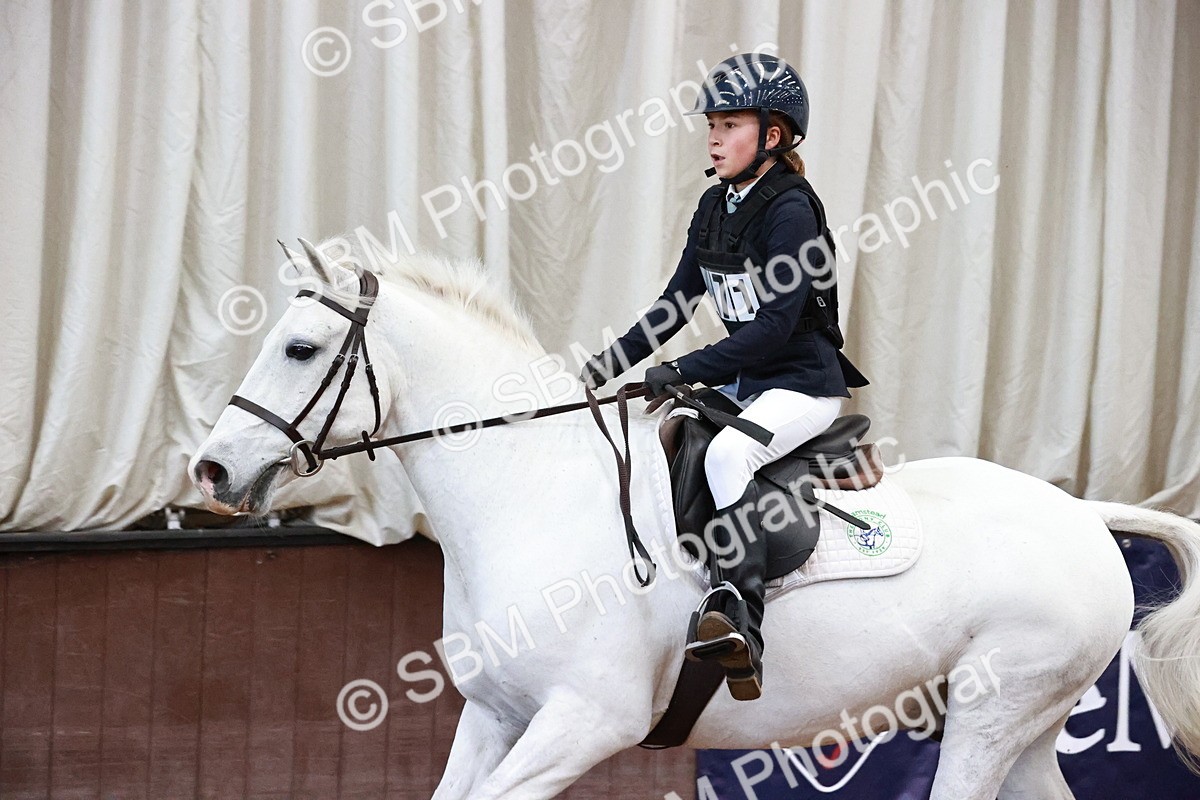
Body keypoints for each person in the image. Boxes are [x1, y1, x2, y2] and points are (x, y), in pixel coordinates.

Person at [578, 52, 869, 701]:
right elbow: (675, 303)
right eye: (711, 123)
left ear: (772, 135)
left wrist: (679, 369)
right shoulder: (715, 203)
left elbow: (771, 329)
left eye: (729, 123)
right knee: (658, 434)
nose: (712, 135)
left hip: (801, 384)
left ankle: (740, 617)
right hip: (746, 384)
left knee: (731, 454)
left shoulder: (791, 209)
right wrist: (599, 370)